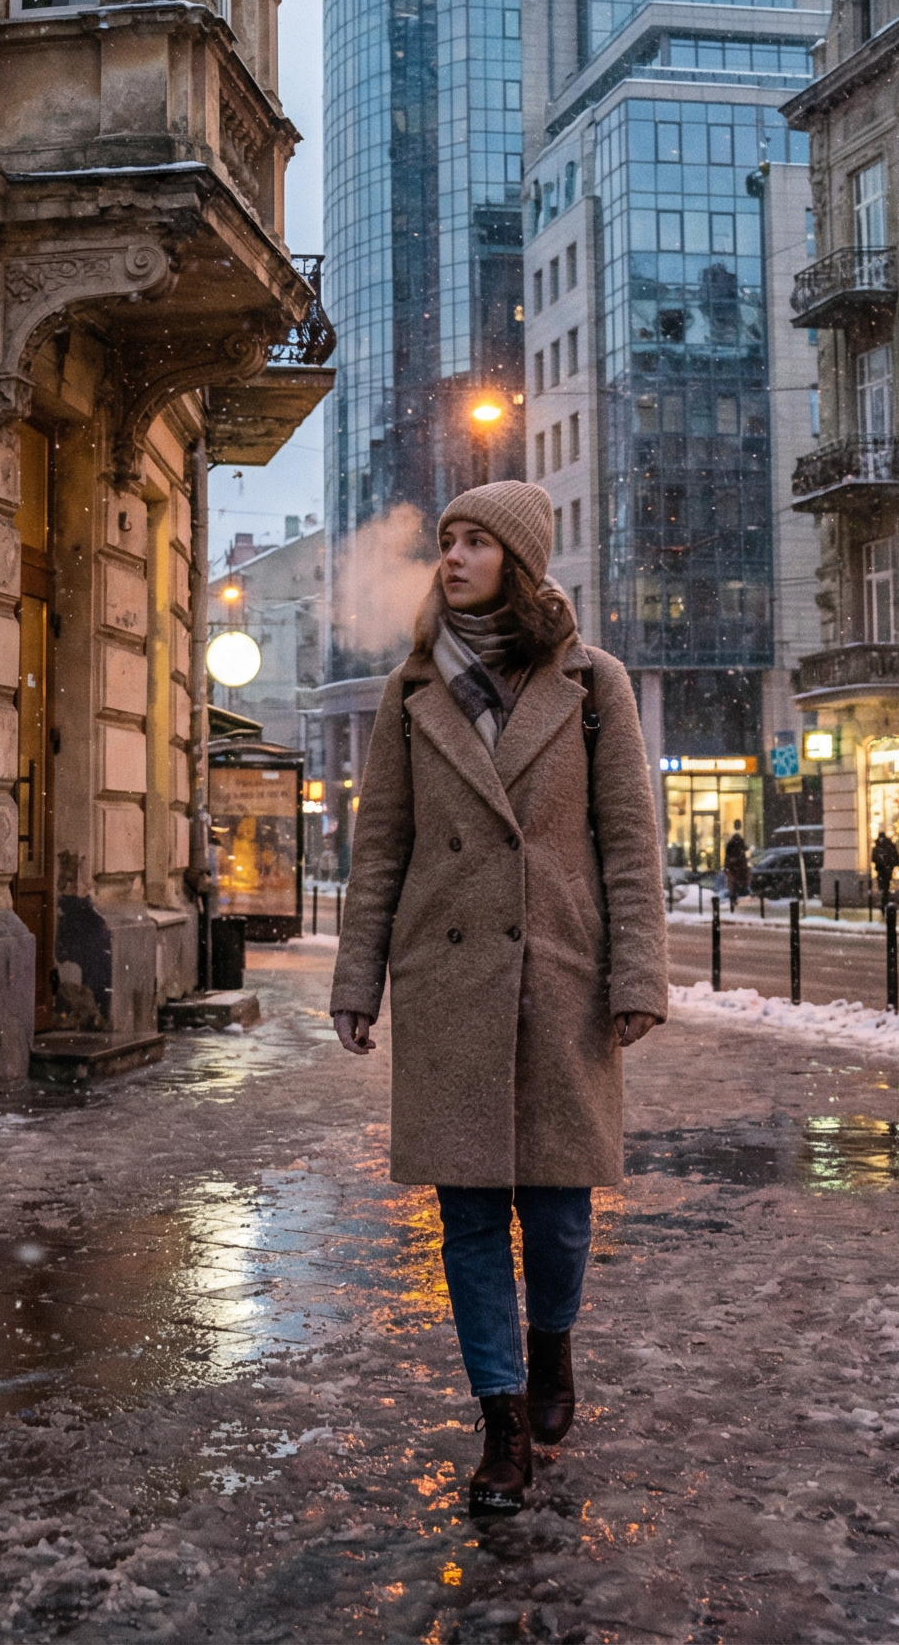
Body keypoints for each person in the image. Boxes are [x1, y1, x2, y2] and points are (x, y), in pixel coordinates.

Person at [329, 482, 668, 1514]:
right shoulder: (410, 689)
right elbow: (378, 844)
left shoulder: (591, 683)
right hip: (448, 982)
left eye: (475, 542)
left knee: (558, 1214)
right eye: (446, 540)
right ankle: (501, 1420)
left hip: (558, 976)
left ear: (518, 562)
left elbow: (628, 842)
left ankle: (551, 1345)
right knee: (469, 1220)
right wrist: (357, 979)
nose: (453, 556)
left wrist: (634, 975)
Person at [871, 827, 899, 901]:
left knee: (882, 883)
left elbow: (873, 858)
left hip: (881, 868)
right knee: (886, 883)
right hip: (887, 868)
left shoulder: (878, 846)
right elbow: (895, 856)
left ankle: (884, 897)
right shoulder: (889, 845)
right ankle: (885, 896)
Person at [722, 825, 750, 903]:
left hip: (733, 868)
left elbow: (727, 857)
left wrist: (727, 866)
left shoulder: (731, 846)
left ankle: (733, 897)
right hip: (739, 867)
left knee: (733, 884)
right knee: (739, 882)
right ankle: (739, 895)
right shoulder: (740, 845)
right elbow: (744, 852)